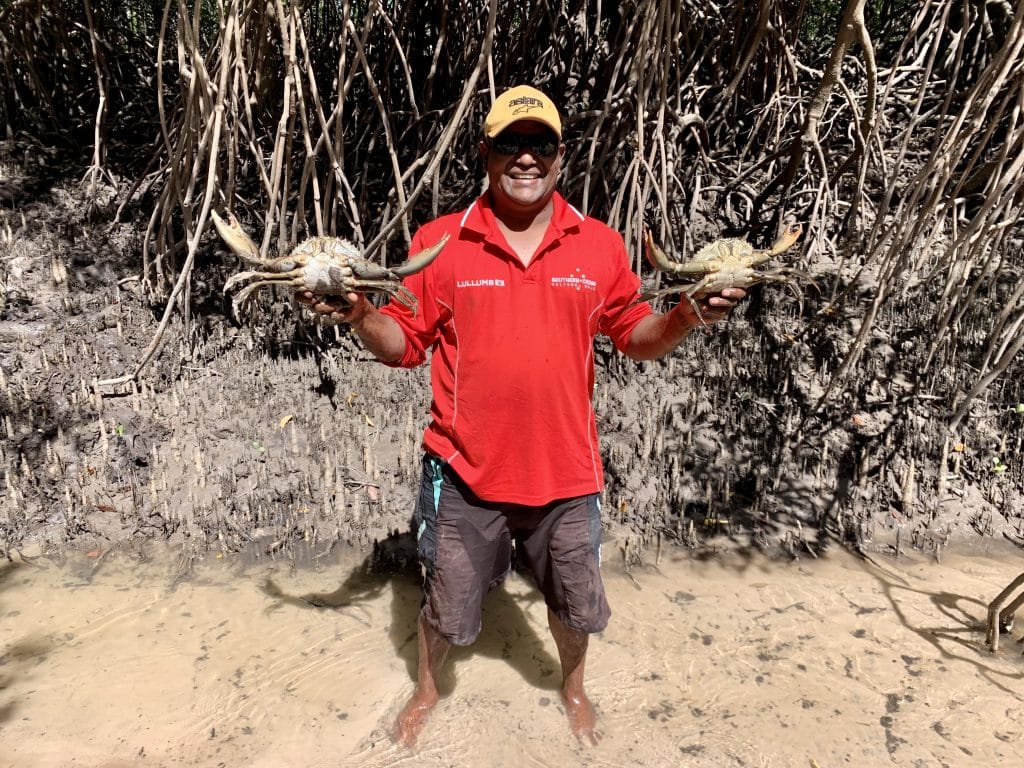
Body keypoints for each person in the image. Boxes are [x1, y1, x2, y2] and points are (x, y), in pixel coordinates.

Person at [301, 84, 746, 746]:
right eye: (511, 143)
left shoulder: (597, 245)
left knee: (575, 605)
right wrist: (362, 315)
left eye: (541, 144)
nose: (526, 158)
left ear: (561, 156)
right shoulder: (439, 243)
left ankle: (572, 688)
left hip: (566, 474)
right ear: (485, 152)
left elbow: (636, 337)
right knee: (447, 607)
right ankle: (428, 689)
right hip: (462, 472)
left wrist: (686, 314)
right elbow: (404, 347)